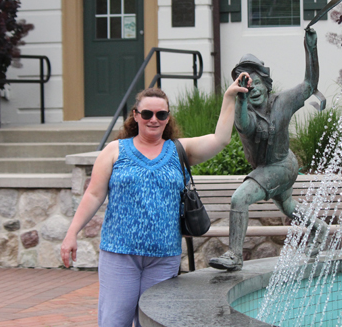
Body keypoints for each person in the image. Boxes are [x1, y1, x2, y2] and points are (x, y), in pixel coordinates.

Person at [60, 75, 250, 327]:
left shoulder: (179, 150)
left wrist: (228, 98)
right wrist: (72, 233)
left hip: (164, 257)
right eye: (147, 113)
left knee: (154, 322)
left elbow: (220, 139)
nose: (154, 119)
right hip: (120, 254)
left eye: (161, 115)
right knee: (113, 322)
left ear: (168, 118)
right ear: (135, 115)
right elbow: (94, 194)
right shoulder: (114, 150)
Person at [209, 28, 328, 272]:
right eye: (246, 86)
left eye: (256, 84)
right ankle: (320, 229)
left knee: (239, 198)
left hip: (282, 165)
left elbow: (309, 84)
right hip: (269, 168)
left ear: (266, 85)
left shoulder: (283, 103)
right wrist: (240, 99)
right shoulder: (246, 112)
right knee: (288, 207)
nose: (252, 89)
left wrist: (311, 48)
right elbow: (244, 125)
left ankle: (235, 255)